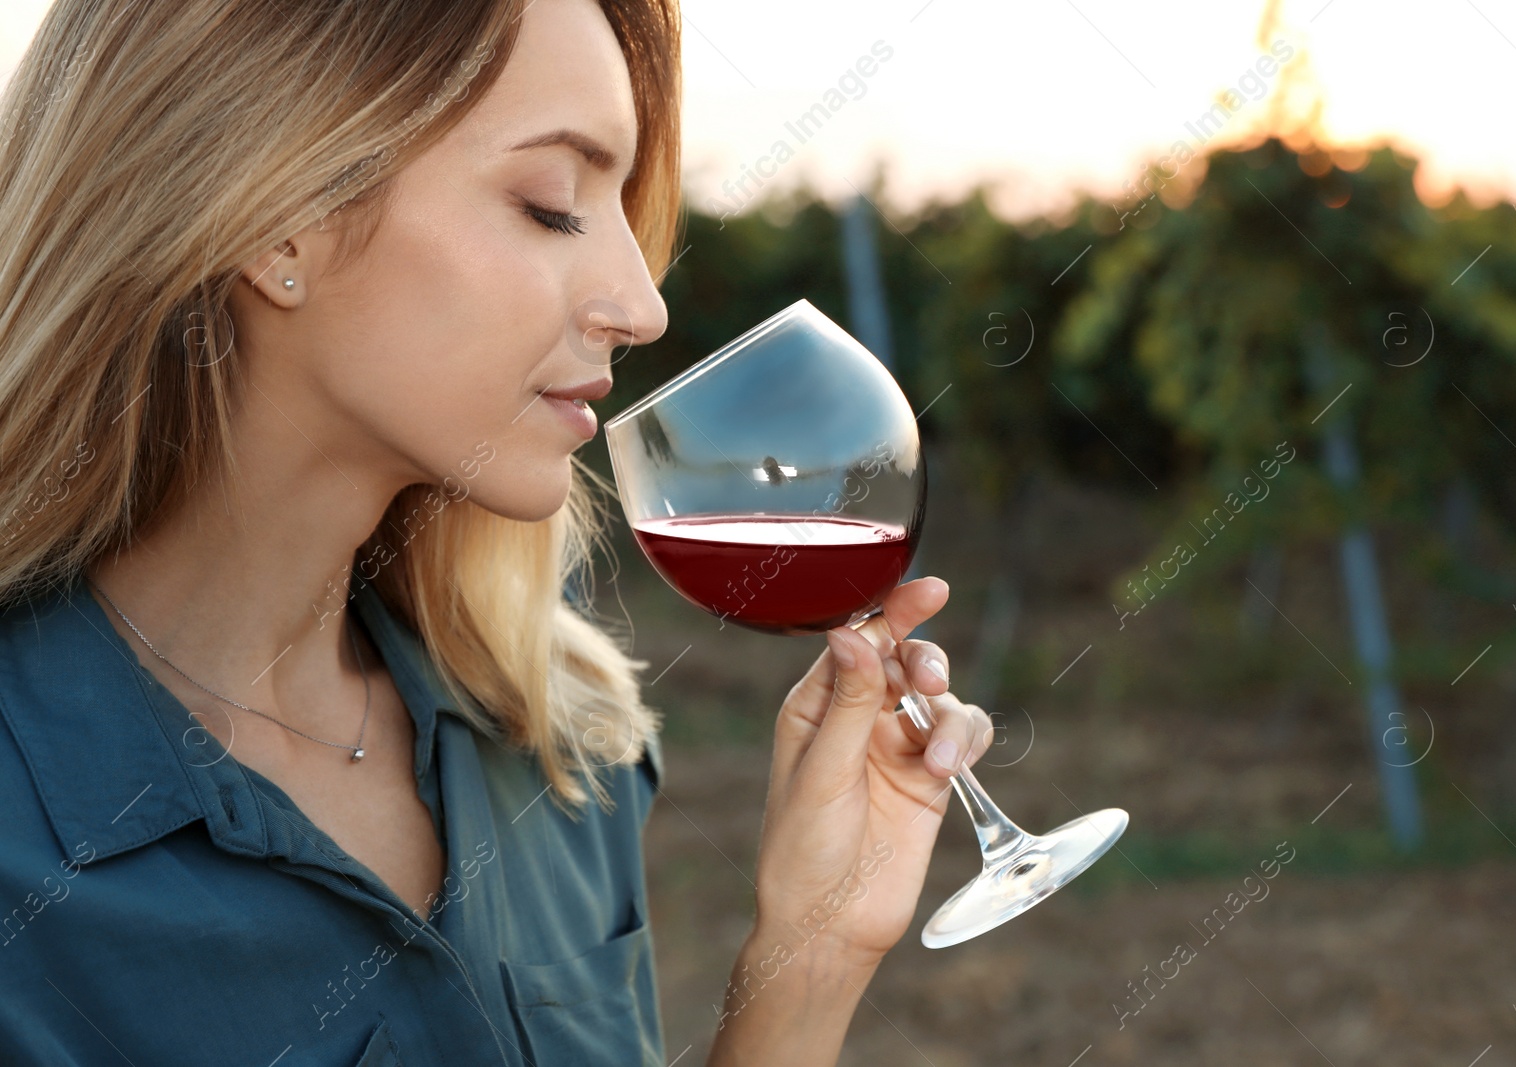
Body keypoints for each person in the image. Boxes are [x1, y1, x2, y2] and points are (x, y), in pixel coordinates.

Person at [0, 0, 993, 1063]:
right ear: (274, 222)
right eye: (551, 204)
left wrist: (811, 952)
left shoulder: (560, 744)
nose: (639, 304)